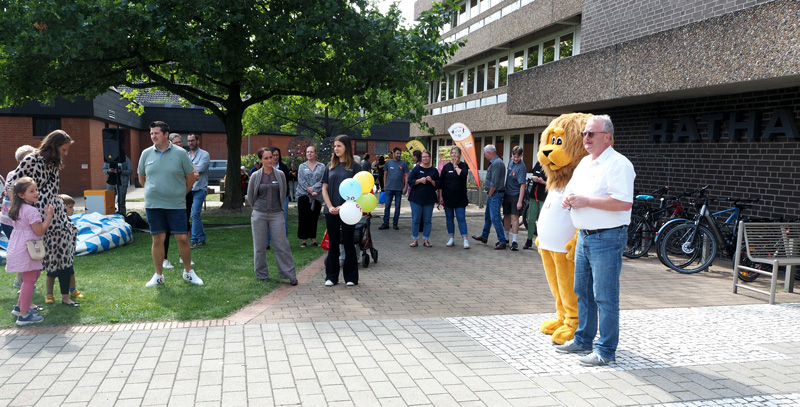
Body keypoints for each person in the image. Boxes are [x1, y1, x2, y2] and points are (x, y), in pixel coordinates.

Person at [555, 115, 635, 367]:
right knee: (583, 292)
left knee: (605, 296)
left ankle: (605, 350)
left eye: (591, 134)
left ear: (607, 137)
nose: (585, 138)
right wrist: (568, 198)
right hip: (585, 237)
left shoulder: (618, 164)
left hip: (607, 237)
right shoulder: (584, 164)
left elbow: (623, 202)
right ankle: (584, 339)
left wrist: (586, 201)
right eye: (584, 134)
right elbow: (571, 189)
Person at [8, 130, 81, 306]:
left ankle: (65, 295)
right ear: (54, 146)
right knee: (33, 259)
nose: (66, 153)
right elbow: (12, 185)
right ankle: (26, 301)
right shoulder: (32, 160)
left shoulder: (54, 162)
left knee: (64, 250)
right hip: (36, 215)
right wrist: (19, 211)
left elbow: (53, 190)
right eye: (63, 149)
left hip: (54, 212)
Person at [139, 121, 203, 287]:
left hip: (176, 204)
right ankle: (158, 275)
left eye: (156, 133)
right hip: (154, 205)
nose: (153, 136)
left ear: (166, 134)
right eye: (151, 133)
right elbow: (142, 178)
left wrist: (181, 193)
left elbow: (190, 178)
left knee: (182, 238)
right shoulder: (146, 154)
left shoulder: (181, 153)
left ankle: (188, 272)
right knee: (158, 239)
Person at [246, 147, 297, 285]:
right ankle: (262, 275)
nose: (270, 160)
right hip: (259, 214)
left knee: (282, 245)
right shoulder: (256, 176)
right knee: (260, 246)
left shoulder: (280, 174)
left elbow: (283, 193)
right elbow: (250, 196)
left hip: (276, 214)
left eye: (272, 157)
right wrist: (257, 209)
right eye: (266, 158)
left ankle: (289, 275)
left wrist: (277, 208)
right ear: (261, 160)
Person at [6, 177, 53, 325]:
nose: (36, 193)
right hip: (28, 248)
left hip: (17, 246)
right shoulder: (31, 211)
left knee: (33, 275)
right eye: (31, 191)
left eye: (36, 190)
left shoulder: (16, 208)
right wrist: (49, 217)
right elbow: (39, 231)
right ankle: (24, 315)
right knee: (29, 280)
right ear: (21, 195)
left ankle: (20, 307)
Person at [321, 134, 362, 286]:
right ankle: (331, 277)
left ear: (346, 147)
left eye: (339, 146)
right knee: (333, 244)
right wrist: (330, 206)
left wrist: (343, 206)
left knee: (349, 243)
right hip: (331, 211)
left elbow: (359, 190)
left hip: (348, 211)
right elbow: (324, 188)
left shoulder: (355, 167)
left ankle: (351, 278)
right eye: (335, 146)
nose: (336, 149)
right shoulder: (329, 166)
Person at [3, 145, 36, 289]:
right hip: (11, 222)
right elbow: (13, 197)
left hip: (24, 221)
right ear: (22, 160)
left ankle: (21, 281)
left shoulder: (31, 177)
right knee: (24, 251)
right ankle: (23, 281)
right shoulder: (14, 175)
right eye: (30, 158)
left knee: (26, 250)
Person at [162, 134, 195, 270]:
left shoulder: (184, 156)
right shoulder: (165, 156)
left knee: (183, 227)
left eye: (180, 142)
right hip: (168, 197)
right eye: (176, 142)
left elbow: (195, 175)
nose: (179, 144)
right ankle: (164, 259)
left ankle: (183, 257)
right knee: (166, 229)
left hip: (184, 196)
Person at [472, 145, 507, 249]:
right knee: (488, 216)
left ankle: (502, 241)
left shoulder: (496, 164)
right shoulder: (495, 162)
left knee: (495, 218)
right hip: (493, 194)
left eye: (484, 153)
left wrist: (490, 194)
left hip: (495, 194)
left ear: (489, 153)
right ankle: (484, 236)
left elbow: (495, 182)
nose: (484, 155)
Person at [438, 146, 470, 249]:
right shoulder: (446, 167)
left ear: (460, 155)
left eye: (456, 153)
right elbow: (441, 183)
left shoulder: (464, 165)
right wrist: (440, 196)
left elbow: (463, 175)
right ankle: (451, 238)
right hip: (448, 197)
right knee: (449, 218)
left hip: (460, 197)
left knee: (461, 218)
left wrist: (456, 166)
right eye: (452, 153)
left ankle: (465, 239)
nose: (454, 155)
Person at [408, 150, 439, 248]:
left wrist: (431, 181)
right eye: (423, 157)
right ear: (421, 158)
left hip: (429, 199)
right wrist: (419, 180)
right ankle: (415, 239)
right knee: (416, 219)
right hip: (416, 198)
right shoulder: (416, 169)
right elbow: (410, 181)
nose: (425, 158)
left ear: (430, 158)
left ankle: (426, 239)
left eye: (427, 156)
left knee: (427, 220)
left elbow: (438, 184)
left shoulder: (434, 170)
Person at [296, 145, 325, 248]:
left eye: (311, 152)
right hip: (304, 195)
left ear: (315, 154)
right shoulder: (302, 166)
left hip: (317, 196)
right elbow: (301, 180)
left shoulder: (321, 166)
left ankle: (313, 239)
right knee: (304, 217)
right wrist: (309, 190)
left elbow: (323, 180)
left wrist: (315, 190)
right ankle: (304, 240)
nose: (309, 153)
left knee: (314, 217)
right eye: (308, 152)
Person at [187, 133, 210, 249]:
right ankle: (202, 238)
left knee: (195, 214)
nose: (190, 143)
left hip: (199, 189)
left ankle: (194, 239)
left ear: (197, 141)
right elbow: (182, 170)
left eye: (192, 140)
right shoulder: (186, 155)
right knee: (194, 215)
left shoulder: (204, 154)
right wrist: (193, 166)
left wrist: (190, 168)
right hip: (188, 189)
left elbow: (199, 170)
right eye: (189, 141)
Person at [503, 146, 527, 251]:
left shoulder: (522, 167)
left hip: (516, 194)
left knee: (514, 217)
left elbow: (522, 185)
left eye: (517, 157)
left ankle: (515, 241)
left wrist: (519, 201)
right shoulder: (510, 162)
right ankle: (506, 238)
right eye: (514, 156)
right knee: (506, 216)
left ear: (521, 156)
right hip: (507, 193)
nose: (515, 159)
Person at [60, 194, 84, 299]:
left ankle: (72, 289)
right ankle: (49, 293)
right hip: (60, 252)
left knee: (71, 270)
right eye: (70, 207)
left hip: (68, 251)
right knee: (52, 274)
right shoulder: (59, 221)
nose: (72, 209)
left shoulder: (68, 220)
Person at [379, 147, 409, 230]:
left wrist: (405, 187)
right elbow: (385, 174)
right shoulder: (388, 163)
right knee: (387, 206)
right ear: (394, 153)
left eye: (400, 154)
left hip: (399, 189)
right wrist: (384, 186)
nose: (399, 155)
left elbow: (407, 176)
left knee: (397, 207)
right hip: (389, 188)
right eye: (397, 153)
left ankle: (395, 223)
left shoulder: (403, 164)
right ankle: (385, 223)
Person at [266, 147, 290, 249]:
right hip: (268, 198)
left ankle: (282, 243)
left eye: (277, 155)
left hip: (282, 197)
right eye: (273, 155)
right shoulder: (266, 167)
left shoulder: (284, 168)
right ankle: (266, 242)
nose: (275, 157)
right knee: (267, 220)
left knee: (282, 219)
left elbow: (286, 183)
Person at [523, 161, 547, 250]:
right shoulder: (538, 164)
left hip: (544, 196)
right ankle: (529, 240)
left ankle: (542, 241)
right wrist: (533, 178)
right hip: (534, 195)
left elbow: (553, 184)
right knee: (530, 219)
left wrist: (543, 182)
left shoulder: (552, 166)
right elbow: (533, 174)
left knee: (542, 220)